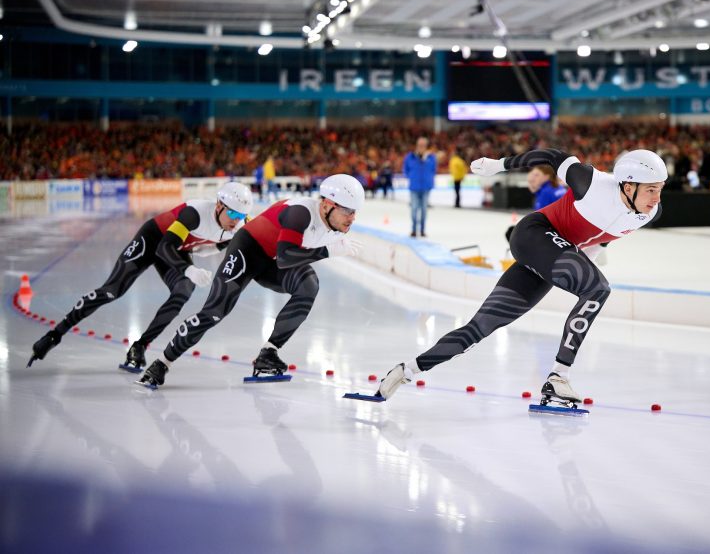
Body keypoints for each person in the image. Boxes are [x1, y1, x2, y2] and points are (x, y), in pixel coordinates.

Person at [373, 148, 665, 406]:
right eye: (651, 190)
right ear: (628, 185)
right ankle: (558, 376)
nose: (656, 199)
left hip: (552, 255)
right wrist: (499, 164)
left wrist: (590, 252)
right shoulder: (591, 182)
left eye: (660, 189)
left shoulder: (649, 212)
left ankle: (406, 370)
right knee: (598, 288)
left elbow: (609, 232)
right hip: (534, 235)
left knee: (481, 326)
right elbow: (552, 156)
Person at [136, 174, 364, 388]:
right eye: (347, 211)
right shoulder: (301, 213)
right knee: (215, 311)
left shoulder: (337, 224)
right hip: (247, 251)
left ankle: (269, 353)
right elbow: (286, 257)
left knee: (308, 285)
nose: (352, 218)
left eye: (355, 212)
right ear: (326, 205)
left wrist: (327, 249)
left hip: (271, 260)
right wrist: (326, 251)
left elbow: (286, 257)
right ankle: (161, 363)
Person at [28, 182, 253, 369]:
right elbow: (165, 248)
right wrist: (189, 269)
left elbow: (240, 240)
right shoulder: (193, 214)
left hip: (179, 250)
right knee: (111, 291)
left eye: (241, 215)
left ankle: (140, 346)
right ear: (218, 206)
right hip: (154, 240)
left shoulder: (240, 223)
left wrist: (212, 249)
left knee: (183, 290)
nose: (236, 219)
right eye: (232, 212)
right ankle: (54, 335)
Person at [403, 137, 436, 237]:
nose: (421, 147)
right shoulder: (410, 157)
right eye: (420, 145)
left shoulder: (431, 157)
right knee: (414, 209)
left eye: (423, 145)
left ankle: (422, 230)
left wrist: (425, 160)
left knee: (424, 210)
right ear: (417, 146)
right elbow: (405, 170)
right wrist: (411, 177)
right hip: (414, 187)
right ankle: (413, 230)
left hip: (426, 188)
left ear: (426, 146)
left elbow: (433, 170)